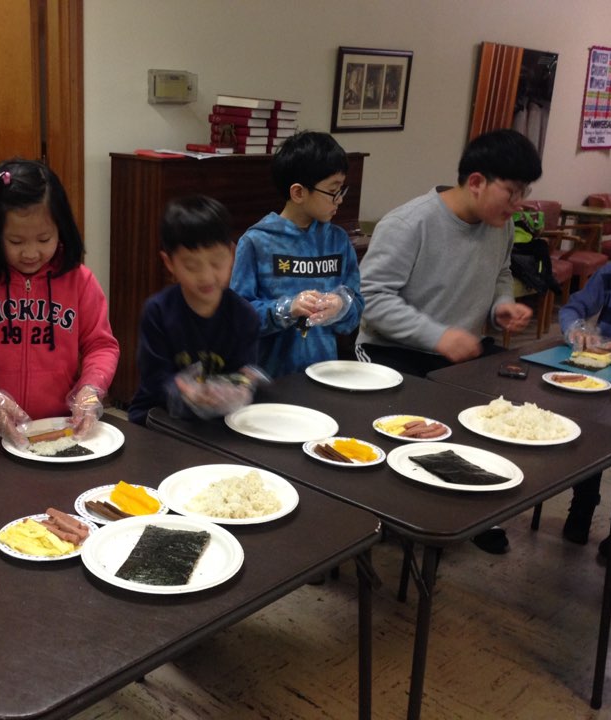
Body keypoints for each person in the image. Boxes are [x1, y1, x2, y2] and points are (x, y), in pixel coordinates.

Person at [356, 128, 542, 554]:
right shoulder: (409, 223)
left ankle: (472, 509)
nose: (519, 204)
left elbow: (500, 273)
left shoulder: (500, 225)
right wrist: (437, 335)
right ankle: (396, 512)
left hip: (461, 349)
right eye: (512, 192)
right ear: (476, 182)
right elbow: (372, 300)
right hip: (392, 349)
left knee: (500, 412)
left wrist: (501, 306)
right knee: (416, 425)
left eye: (525, 192)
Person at [0, 158, 119, 446]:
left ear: (61, 229)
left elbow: (100, 345)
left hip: (56, 430)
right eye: (16, 242)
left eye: (44, 239)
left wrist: (91, 388)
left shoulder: (78, 280)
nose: (30, 253)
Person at [230, 130, 364, 378]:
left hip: (325, 375)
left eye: (342, 190)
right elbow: (238, 318)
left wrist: (341, 306)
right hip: (272, 380)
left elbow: (354, 311)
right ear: (299, 193)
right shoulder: (257, 242)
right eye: (333, 191)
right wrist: (286, 308)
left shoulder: (338, 241)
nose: (339, 200)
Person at [559, 195, 611, 557]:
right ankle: (582, 504)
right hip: (605, 383)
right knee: (588, 440)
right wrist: (577, 330)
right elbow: (573, 308)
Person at [128, 195, 262, 425]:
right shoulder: (158, 312)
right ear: (169, 263)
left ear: (232, 254)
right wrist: (186, 393)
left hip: (220, 421)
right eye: (191, 266)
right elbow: (154, 382)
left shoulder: (244, 316)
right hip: (158, 417)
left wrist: (241, 386)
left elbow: (243, 375)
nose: (206, 276)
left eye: (216, 262)